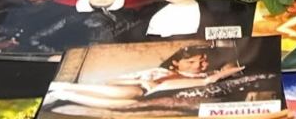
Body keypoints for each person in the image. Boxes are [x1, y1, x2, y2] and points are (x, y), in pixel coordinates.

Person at [47, 45, 243, 108]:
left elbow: (234, 66)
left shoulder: (209, 74)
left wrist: (219, 72)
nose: (199, 65)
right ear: (175, 63)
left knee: (130, 104)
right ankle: (64, 87)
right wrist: (140, 80)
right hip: (139, 89)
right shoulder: (159, 72)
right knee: (135, 92)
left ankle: (64, 94)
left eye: (202, 61)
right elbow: (111, 81)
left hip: (148, 101)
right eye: (191, 62)